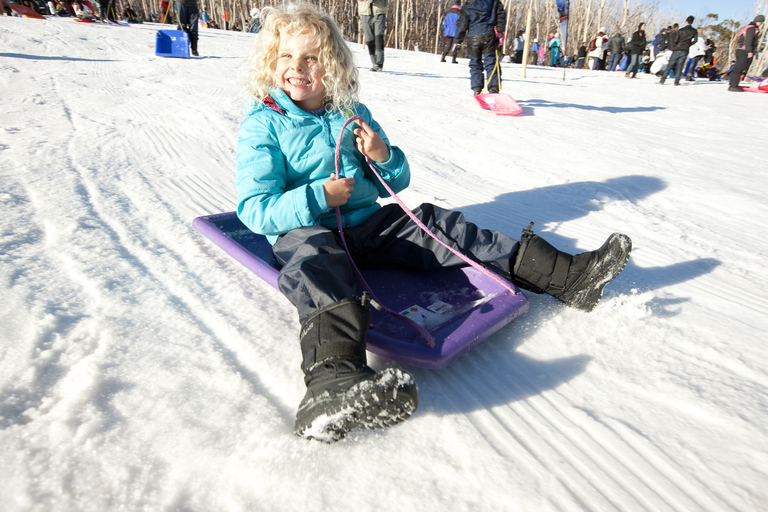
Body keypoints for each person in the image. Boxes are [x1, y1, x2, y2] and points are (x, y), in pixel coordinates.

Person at [236, 3, 633, 442]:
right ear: (271, 61)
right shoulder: (263, 125)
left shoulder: (352, 113)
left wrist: (383, 155)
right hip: (303, 230)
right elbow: (255, 209)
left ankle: (568, 277)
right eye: (286, 57)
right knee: (319, 268)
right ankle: (334, 385)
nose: (297, 68)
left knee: (436, 225)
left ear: (330, 64)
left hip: (366, 224)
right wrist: (317, 196)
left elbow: (398, 181)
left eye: (310, 57)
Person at [457, 0, 506, 95]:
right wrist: (500, 32)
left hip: (473, 37)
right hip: (488, 35)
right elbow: (501, 16)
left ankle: (477, 88)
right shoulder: (494, 2)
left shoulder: (468, 4)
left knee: (475, 63)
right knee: (491, 62)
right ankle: (494, 87)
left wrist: (458, 39)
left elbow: (462, 23)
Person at [658, 16, 698, 86]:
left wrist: (675, 46)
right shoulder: (694, 31)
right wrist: (689, 44)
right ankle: (676, 82)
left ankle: (662, 80)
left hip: (677, 48)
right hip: (685, 50)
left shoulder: (681, 30)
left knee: (670, 65)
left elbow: (676, 40)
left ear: (686, 22)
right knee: (679, 66)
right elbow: (695, 40)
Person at [729, 15, 765, 92]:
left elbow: (754, 43)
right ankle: (733, 86)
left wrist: (755, 53)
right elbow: (748, 40)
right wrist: (749, 51)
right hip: (743, 51)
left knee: (742, 68)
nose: (761, 23)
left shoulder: (753, 28)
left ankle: (734, 84)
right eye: (761, 22)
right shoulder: (751, 28)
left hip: (743, 50)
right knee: (739, 68)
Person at [358, 0, 387, 71]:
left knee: (378, 36)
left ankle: (379, 63)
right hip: (365, 13)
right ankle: (374, 63)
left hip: (379, 11)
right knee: (369, 39)